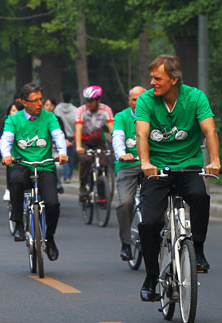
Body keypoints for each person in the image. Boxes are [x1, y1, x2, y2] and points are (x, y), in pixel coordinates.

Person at [135, 54, 220, 301]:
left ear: (173, 79)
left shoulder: (195, 97)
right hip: (157, 169)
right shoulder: (146, 100)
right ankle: (151, 276)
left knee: (199, 196)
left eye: (157, 78)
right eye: (151, 77)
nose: (152, 82)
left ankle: (199, 251)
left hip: (188, 165)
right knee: (149, 223)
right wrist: (145, 163)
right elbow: (142, 133)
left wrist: (214, 160)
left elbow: (209, 129)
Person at [0, 83, 68, 259]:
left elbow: (58, 135)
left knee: (52, 203)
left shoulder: (49, 117)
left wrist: (62, 152)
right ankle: (18, 224)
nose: (39, 103)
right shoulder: (13, 120)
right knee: (14, 181)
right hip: (22, 164)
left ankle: (50, 238)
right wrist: (7, 155)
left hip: (45, 166)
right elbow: (6, 139)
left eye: (41, 99)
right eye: (35, 100)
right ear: (23, 102)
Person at [112, 86, 146, 261]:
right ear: (129, 101)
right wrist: (122, 154)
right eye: (134, 99)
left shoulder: (154, 113)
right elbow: (117, 137)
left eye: (141, 98)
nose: (137, 102)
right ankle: (126, 243)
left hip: (150, 164)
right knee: (126, 202)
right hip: (128, 164)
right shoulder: (121, 117)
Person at [75, 85, 114, 200]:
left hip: (98, 141)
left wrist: (117, 145)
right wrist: (78, 146)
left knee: (103, 163)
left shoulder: (106, 110)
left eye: (90, 101)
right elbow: (78, 129)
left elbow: (112, 128)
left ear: (98, 100)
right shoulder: (81, 110)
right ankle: (83, 187)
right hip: (83, 140)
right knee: (86, 159)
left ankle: (102, 194)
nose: (87, 103)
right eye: (86, 100)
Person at [2, 101, 24, 202]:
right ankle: (9, 188)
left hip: (24, 152)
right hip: (10, 151)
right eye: (13, 110)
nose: (14, 113)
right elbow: (5, 138)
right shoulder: (8, 122)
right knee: (10, 165)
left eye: (17, 110)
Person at [55, 92, 77, 182]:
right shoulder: (76, 110)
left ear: (62, 98)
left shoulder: (57, 109)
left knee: (63, 155)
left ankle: (65, 175)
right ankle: (68, 176)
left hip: (61, 135)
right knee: (70, 156)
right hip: (72, 136)